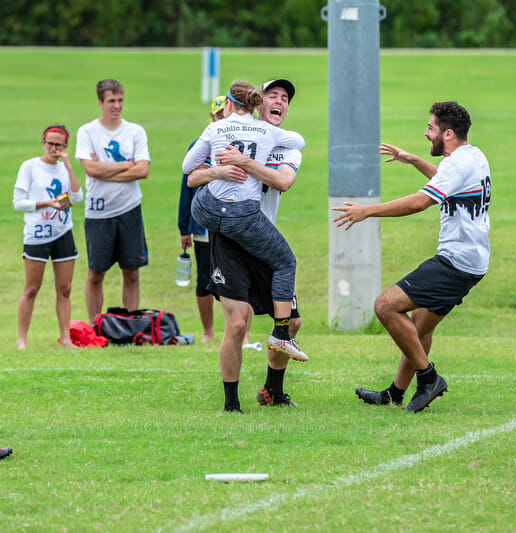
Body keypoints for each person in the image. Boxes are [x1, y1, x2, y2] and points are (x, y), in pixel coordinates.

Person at [332, 101, 491, 413]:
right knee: (420, 327)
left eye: (430, 128)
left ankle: (429, 378)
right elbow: (446, 182)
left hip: (455, 261)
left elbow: (420, 202)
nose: (425, 133)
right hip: (473, 261)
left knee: (386, 306)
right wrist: (414, 160)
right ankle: (395, 393)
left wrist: (367, 211)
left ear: (447, 133)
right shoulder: (473, 156)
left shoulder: (457, 165)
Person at [187, 79, 304, 412]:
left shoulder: (286, 147)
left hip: (262, 238)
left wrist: (245, 163)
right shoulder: (226, 135)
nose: (279, 101)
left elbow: (283, 181)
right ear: (257, 103)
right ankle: (230, 403)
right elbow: (192, 176)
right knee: (238, 323)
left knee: (292, 322)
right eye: (273, 95)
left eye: (285, 98)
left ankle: (271, 390)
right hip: (229, 240)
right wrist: (218, 171)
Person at [75, 79, 150, 322]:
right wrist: (126, 164)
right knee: (96, 273)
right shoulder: (87, 132)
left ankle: (129, 324)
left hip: (129, 209)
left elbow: (143, 171)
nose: (116, 106)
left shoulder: (135, 131)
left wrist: (105, 169)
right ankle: (95, 326)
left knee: (132, 272)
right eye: (111, 101)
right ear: (100, 102)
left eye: (120, 100)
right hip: (98, 213)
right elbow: (91, 170)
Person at [14, 124, 83, 348]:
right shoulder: (30, 167)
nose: (53, 148)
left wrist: (69, 165)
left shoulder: (64, 168)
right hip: (37, 233)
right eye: (49, 143)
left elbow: (78, 196)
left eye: (58, 145)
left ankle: (65, 338)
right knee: (31, 289)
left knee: (65, 289)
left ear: (65, 146)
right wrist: (47, 203)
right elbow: (18, 203)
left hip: (62, 232)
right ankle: (21, 339)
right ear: (43, 142)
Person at [177, 95, 225, 343]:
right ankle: (208, 332)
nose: (221, 120)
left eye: (224, 115)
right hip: (202, 224)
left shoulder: (239, 143)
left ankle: (242, 332)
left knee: (236, 278)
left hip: (231, 224)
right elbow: (186, 188)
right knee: (205, 278)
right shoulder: (199, 145)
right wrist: (184, 227)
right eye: (218, 116)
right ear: (211, 118)